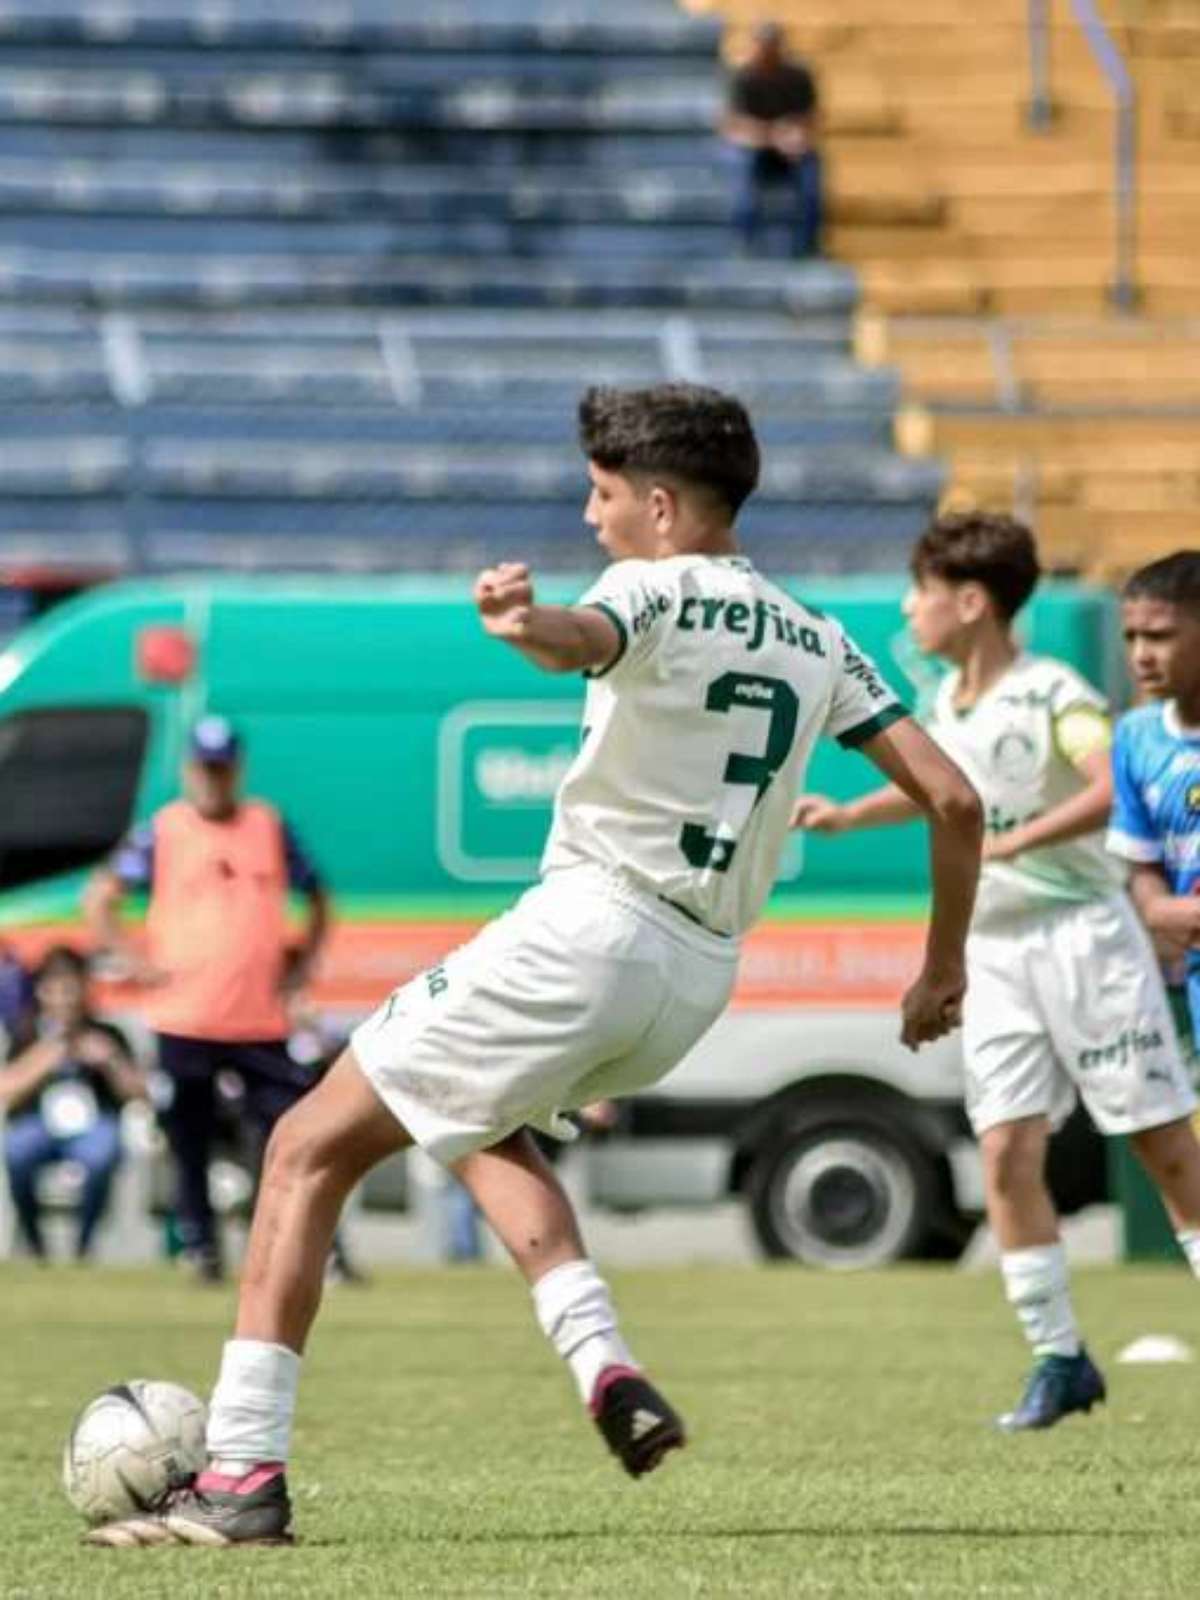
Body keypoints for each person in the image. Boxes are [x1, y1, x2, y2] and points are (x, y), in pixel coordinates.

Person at [84, 382, 981, 1548]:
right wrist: (938, 969)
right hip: (696, 976)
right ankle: (603, 1361)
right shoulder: (821, 637)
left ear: (660, 505)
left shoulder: (647, 585)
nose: (591, 513)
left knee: (305, 1149)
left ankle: (241, 1475)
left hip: (594, 925)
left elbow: (583, 638)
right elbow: (955, 798)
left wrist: (523, 625)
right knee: (470, 1120)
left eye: (604, 494)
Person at [793, 512, 1200, 1431]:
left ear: (969, 603)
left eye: (920, 592)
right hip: (997, 950)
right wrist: (849, 817)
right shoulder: (944, 707)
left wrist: (1012, 840)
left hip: (1084, 937)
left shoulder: (1052, 691)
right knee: (1007, 1150)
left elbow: (1107, 788)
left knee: (1162, 1145)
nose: (909, 609)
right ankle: (1059, 1358)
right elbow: (943, 793)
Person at [84, 715, 332, 1284]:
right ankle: (199, 1245)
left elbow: (316, 892)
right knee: (189, 1141)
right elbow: (101, 897)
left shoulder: (267, 826)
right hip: (186, 1017)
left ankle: (302, 1247)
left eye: (222, 769)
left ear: (236, 770)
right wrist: (132, 957)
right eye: (204, 768)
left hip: (257, 1017)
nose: (213, 780)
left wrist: (301, 962)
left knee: (288, 1136)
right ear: (189, 769)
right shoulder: (164, 830)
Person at [1108, 551, 1200, 1066]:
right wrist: (1155, 907)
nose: (1142, 654)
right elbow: (1141, 861)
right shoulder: (1135, 737)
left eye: (1160, 636)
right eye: (1131, 637)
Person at [1, 945, 144, 1261]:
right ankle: (36, 1246)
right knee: (16, 1150)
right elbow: (5, 1090)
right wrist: (46, 1058)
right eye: (56, 988)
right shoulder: (26, 1034)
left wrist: (111, 1061)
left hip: (95, 1126)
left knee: (101, 1153)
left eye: (72, 987)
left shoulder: (108, 1033)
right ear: (41, 992)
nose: (65, 998)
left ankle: (84, 1245)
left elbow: (141, 1094)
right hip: (38, 1125)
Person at [720, 21, 823, 258]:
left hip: (789, 147)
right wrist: (771, 134)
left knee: (811, 177)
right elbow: (732, 124)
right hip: (755, 146)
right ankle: (744, 241)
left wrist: (794, 134)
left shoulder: (797, 76)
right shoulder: (742, 77)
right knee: (742, 171)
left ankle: (808, 244)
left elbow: (810, 117)